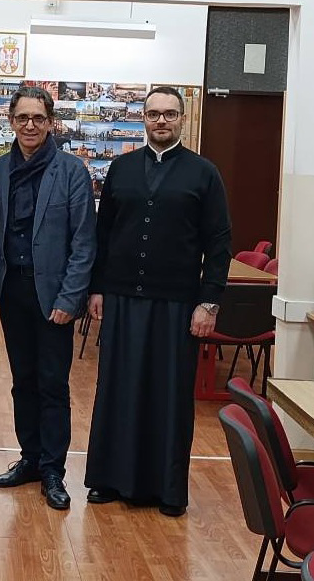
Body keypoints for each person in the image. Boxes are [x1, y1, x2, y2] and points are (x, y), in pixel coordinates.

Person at [83, 85, 231, 517]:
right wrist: (97, 288)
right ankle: (108, 479)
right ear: (143, 119)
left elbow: (219, 241)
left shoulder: (204, 173)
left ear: (182, 119)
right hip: (122, 298)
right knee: (117, 389)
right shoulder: (121, 168)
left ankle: (166, 489)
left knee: (169, 395)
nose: (161, 120)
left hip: (177, 303)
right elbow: (104, 234)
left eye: (169, 114)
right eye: (153, 114)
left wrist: (209, 302)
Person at [0, 86, 96, 510]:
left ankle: (53, 470)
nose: (30, 125)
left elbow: (84, 241)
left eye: (38, 118)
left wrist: (70, 297)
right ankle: (29, 458)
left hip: (54, 296)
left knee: (52, 384)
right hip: (12, 290)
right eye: (22, 118)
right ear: (11, 121)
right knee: (22, 380)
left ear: (50, 123)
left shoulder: (71, 170)